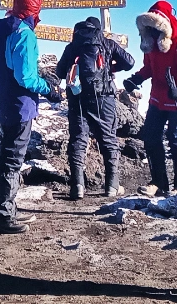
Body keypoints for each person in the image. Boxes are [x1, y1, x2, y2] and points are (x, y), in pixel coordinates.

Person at [0, 0, 64, 233]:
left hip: (5, 101)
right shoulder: (24, 34)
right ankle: (4, 217)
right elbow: (26, 77)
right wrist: (49, 89)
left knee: (7, 154)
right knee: (13, 159)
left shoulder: (0, 33)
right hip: (20, 105)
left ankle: (7, 211)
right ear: (34, 11)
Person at [54, 16, 135, 199]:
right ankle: (111, 187)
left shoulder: (72, 46)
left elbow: (59, 72)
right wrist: (112, 67)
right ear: (99, 30)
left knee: (78, 140)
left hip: (78, 98)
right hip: (103, 97)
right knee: (108, 139)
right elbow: (130, 62)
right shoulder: (107, 44)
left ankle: (77, 187)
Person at [123, 0, 177, 197]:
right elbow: (149, 68)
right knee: (150, 136)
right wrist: (136, 78)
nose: (150, 30)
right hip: (158, 98)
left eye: (154, 26)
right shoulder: (150, 45)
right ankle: (159, 182)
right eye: (148, 26)